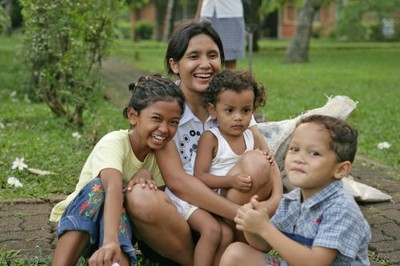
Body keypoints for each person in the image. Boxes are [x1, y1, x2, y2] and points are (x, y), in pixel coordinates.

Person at [125, 20, 282, 265]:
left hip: (230, 217)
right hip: (180, 218)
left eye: (212, 55)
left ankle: (235, 251)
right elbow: (179, 182)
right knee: (139, 198)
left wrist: (275, 200)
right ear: (175, 65)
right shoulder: (166, 105)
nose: (205, 64)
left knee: (257, 162)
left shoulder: (232, 102)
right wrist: (242, 214)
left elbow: (267, 157)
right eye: (193, 56)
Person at [49, 74, 186, 266]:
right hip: (83, 222)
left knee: (126, 206)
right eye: (156, 118)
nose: (164, 129)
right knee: (98, 188)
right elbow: (112, 188)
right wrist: (110, 241)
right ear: (133, 116)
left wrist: (145, 176)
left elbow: (154, 207)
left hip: (120, 228)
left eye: (173, 122)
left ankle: (113, 257)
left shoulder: (160, 156)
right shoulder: (114, 142)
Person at [220, 115, 372, 266]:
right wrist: (253, 225)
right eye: (294, 149)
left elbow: (316, 262)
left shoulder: (342, 208)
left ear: (340, 169)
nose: (298, 158)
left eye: (314, 153)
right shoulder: (292, 200)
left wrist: (265, 228)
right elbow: (263, 246)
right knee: (237, 253)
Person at [194, 69, 272, 205]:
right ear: (213, 110)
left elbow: (263, 165)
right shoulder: (211, 138)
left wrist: (267, 158)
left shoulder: (251, 136)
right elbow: (200, 176)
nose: (238, 117)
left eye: (246, 110)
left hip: (249, 193)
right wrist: (231, 181)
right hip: (221, 197)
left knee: (262, 166)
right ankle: (240, 219)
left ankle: (250, 216)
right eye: (229, 110)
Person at [196, 0, 245, 70]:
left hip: (229, 13)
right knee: (203, 57)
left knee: (230, 61)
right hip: (207, 13)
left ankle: (230, 81)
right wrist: (197, 17)